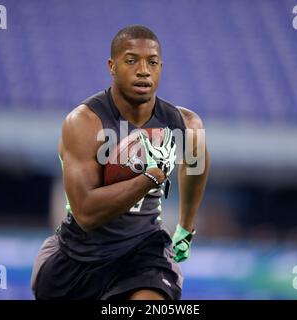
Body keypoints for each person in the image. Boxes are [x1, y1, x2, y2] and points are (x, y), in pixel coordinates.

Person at [31, 25, 210, 300]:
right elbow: (86, 214)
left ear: (160, 67)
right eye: (131, 60)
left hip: (143, 252)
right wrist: (149, 178)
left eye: (152, 62)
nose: (143, 70)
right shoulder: (84, 123)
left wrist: (186, 226)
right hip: (78, 258)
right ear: (112, 66)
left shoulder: (186, 125)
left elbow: (196, 167)